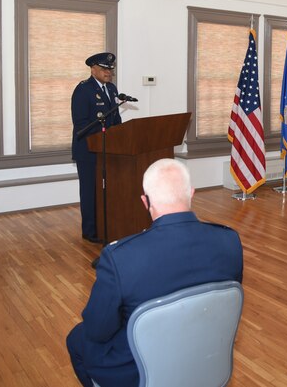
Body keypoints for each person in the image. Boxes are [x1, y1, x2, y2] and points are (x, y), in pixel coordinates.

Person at [66, 158, 243, 387]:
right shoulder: (229, 241)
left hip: (138, 372)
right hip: (206, 356)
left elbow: (97, 329)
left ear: (145, 201)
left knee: (77, 340)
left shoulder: (120, 257)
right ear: (191, 193)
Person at [71, 52, 122, 244]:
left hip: (109, 150)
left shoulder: (113, 89)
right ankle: (90, 231)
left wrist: (119, 135)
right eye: (104, 69)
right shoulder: (83, 90)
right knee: (90, 191)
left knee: (107, 191)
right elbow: (81, 123)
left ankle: (106, 226)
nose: (108, 72)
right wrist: (104, 136)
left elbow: (116, 119)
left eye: (110, 69)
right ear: (93, 69)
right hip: (88, 150)